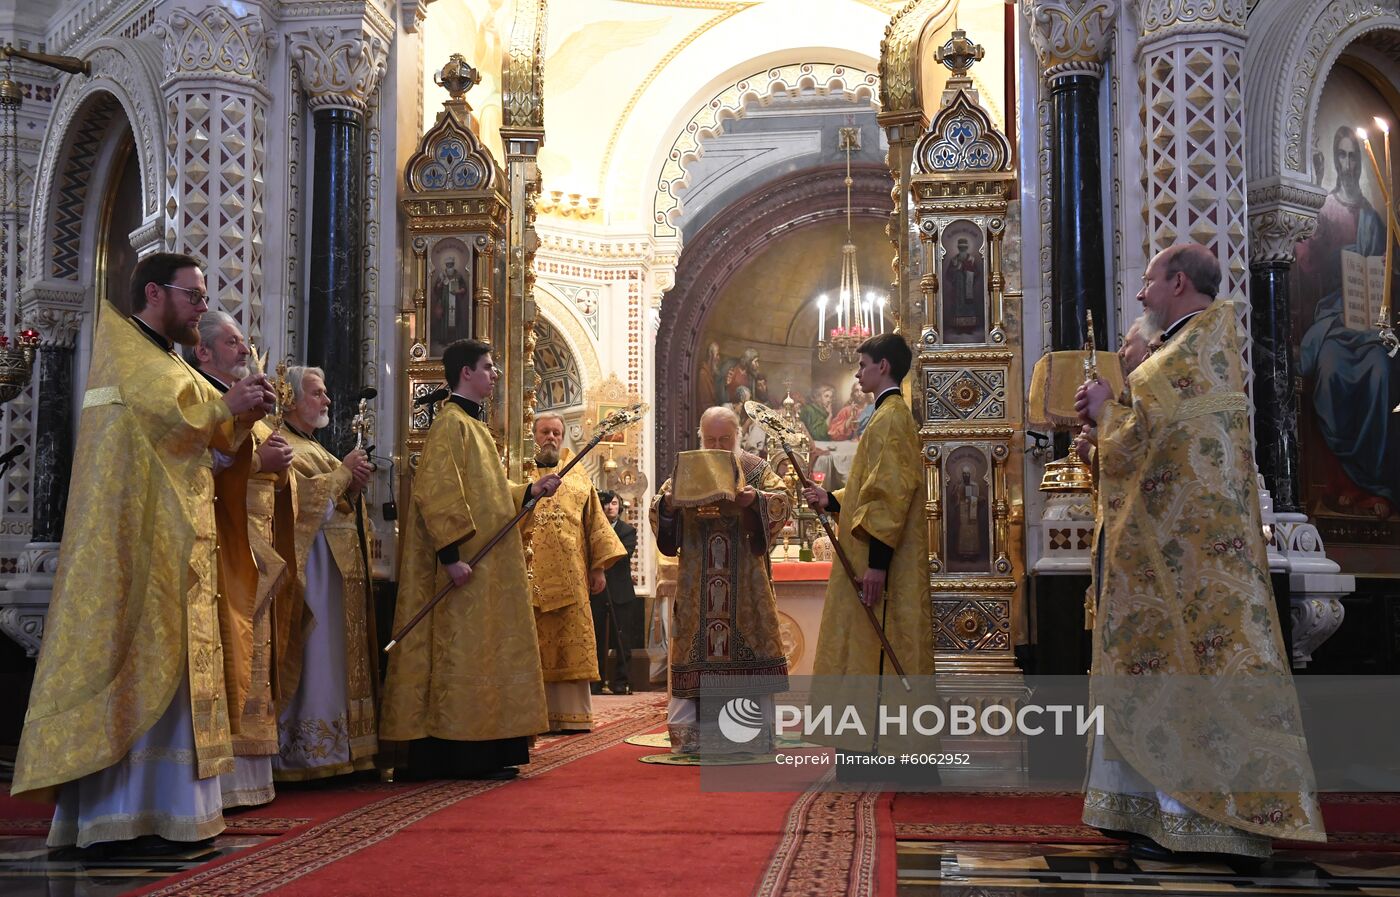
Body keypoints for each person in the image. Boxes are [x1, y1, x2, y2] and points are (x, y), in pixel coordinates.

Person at [11, 252, 274, 852]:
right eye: (194, 296)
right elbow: (170, 425)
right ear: (155, 293)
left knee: (177, 678)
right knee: (140, 671)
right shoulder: (129, 352)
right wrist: (225, 409)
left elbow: (190, 435)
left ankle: (171, 811)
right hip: (138, 552)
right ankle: (124, 816)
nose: (201, 308)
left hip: (175, 546)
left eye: (204, 297)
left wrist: (235, 420)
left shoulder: (161, 357)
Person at [1074, 243, 1325, 859]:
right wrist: (1104, 436)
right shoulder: (1196, 351)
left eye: (1149, 281)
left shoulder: (1177, 362)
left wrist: (1108, 416)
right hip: (1185, 558)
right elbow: (1153, 455)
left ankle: (1192, 822)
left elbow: (1145, 450)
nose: (1140, 295)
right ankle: (1144, 810)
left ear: (1179, 283)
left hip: (1186, 568)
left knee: (1181, 680)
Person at [381, 339, 562, 780]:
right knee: (461, 656)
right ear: (466, 372)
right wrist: (449, 557)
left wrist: (528, 492)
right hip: (463, 571)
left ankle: (491, 749)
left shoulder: (476, 428)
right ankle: (459, 753)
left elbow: (490, 498)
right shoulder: (450, 424)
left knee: (485, 654)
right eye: (488, 366)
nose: (495, 374)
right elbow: (437, 493)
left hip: (487, 571)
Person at [803, 333, 934, 764]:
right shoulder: (884, 416)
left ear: (884, 367)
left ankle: (886, 751)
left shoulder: (892, 418)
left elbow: (890, 496)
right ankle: (867, 745)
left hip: (884, 564)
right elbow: (867, 487)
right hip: (874, 556)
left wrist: (877, 565)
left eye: (862, 365)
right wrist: (832, 499)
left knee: (882, 646)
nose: (857, 374)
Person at [190, 311, 295, 809]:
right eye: (232, 342)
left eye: (245, 341)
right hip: (219, 546)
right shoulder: (204, 400)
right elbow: (194, 469)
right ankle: (226, 781)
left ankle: (250, 779)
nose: (244, 349)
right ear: (203, 351)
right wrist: (260, 462)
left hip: (254, 548)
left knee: (252, 657)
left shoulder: (244, 405)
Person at [652, 406, 790, 754]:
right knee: (697, 650)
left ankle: (753, 734)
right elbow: (659, 505)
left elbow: (782, 502)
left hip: (745, 583)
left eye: (724, 439)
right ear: (701, 436)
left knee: (749, 648)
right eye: (710, 439)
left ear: (736, 437)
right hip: (699, 581)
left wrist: (754, 500)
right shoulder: (690, 467)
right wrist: (668, 505)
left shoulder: (755, 469)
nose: (716, 444)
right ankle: (692, 737)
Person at [274, 366, 378, 781]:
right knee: (317, 660)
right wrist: (342, 474)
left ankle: (345, 749)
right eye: (317, 393)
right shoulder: (282, 444)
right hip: (311, 571)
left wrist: (351, 485)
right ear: (292, 399)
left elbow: (338, 504)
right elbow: (295, 505)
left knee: (335, 658)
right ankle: (310, 754)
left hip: (336, 572)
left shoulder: (313, 446)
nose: (327, 400)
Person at [525, 412, 626, 733]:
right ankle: (532, 715)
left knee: (570, 644)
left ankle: (572, 716)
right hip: (526, 575)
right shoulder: (519, 472)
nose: (551, 438)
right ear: (533, 434)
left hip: (571, 575)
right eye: (545, 432)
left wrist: (598, 568)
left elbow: (594, 524)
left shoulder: (579, 475)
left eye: (556, 432)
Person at [594, 490, 640, 695]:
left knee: (622, 639)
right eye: (606, 504)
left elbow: (623, 553)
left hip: (621, 592)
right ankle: (596, 680)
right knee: (597, 638)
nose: (610, 507)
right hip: (597, 591)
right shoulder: (593, 529)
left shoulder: (627, 530)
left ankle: (622, 681)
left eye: (614, 503)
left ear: (619, 507)